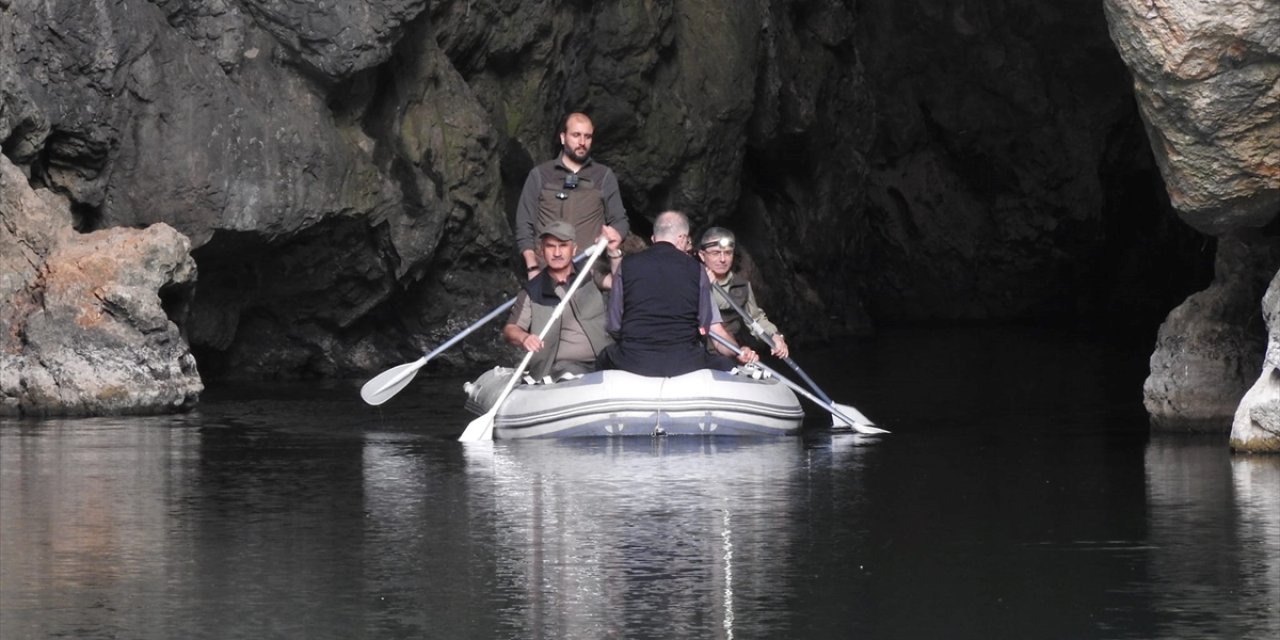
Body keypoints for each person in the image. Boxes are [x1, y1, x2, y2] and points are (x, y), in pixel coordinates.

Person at [597, 211, 757, 377]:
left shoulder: (627, 265)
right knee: (723, 363)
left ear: (654, 239)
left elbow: (614, 325)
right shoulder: (698, 271)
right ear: (682, 239)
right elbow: (709, 328)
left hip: (633, 360)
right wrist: (738, 351)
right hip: (686, 362)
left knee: (604, 357)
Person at [503, 220, 623, 380]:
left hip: (605, 357)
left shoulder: (589, 274)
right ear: (541, 251)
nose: (557, 253)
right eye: (550, 246)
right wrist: (525, 338)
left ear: (573, 250)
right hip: (562, 367)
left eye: (563, 246)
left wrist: (614, 253)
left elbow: (620, 283)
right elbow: (511, 329)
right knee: (569, 372)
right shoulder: (532, 291)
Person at [514, 112, 629, 278]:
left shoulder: (603, 176)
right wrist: (532, 268)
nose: (582, 142)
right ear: (563, 137)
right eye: (576, 135)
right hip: (547, 275)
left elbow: (620, 220)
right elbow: (524, 223)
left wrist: (615, 234)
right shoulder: (540, 175)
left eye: (587, 137)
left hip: (589, 275)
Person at [697, 227, 790, 359]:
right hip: (697, 352)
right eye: (715, 253)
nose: (722, 259)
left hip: (729, 352)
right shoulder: (691, 280)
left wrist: (775, 335)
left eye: (728, 253)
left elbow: (755, 319)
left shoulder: (742, 285)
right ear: (702, 255)